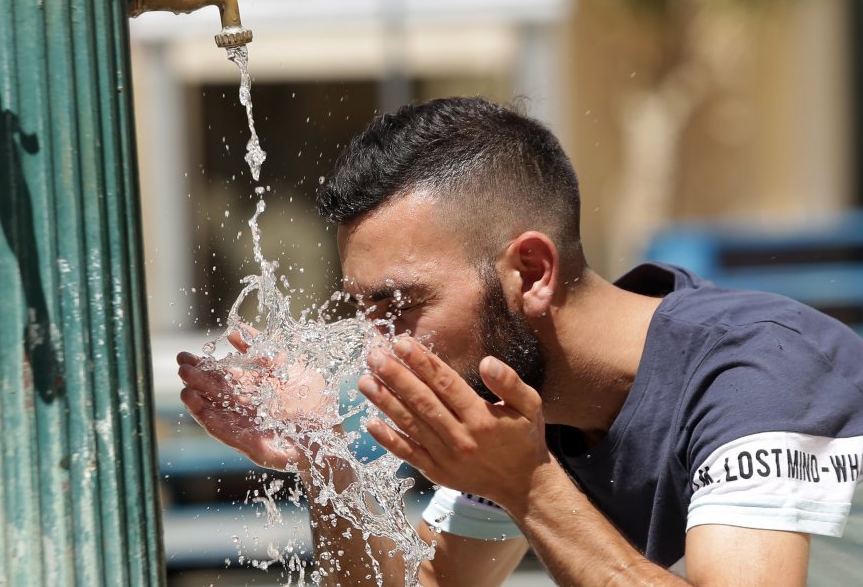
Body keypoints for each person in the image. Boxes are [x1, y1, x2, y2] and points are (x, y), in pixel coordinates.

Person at [177, 97, 863, 586]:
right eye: (365, 311)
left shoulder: (755, 370)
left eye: (400, 304)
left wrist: (526, 486)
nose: (378, 349)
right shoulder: (525, 405)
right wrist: (325, 460)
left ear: (531, 273)